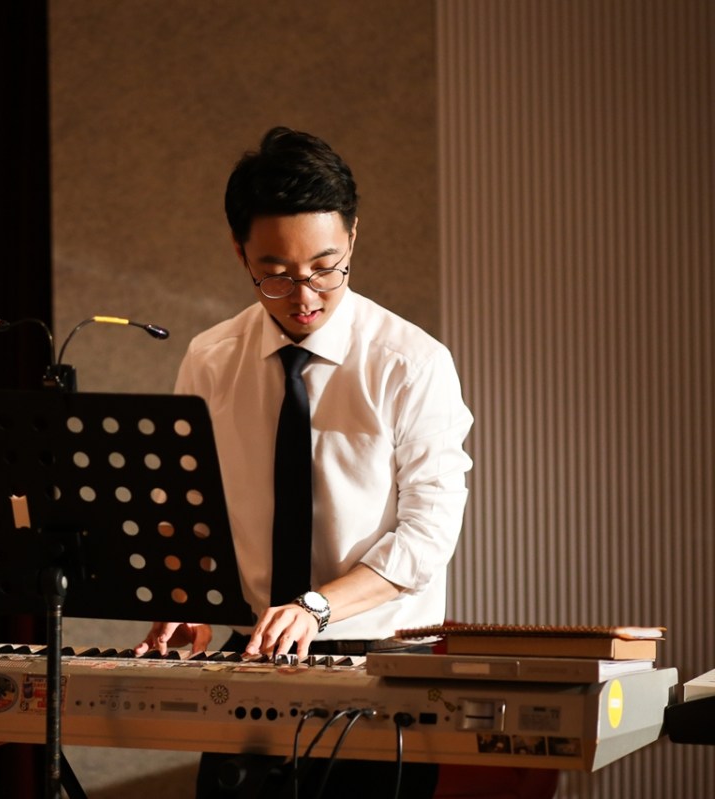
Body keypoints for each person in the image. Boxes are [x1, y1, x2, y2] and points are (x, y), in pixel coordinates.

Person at [132, 127, 474, 797]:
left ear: (353, 237)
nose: (305, 295)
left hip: (379, 666)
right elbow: (192, 509)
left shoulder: (412, 363)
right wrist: (189, 596)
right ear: (240, 253)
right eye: (277, 275)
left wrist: (315, 608)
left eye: (325, 267)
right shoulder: (210, 358)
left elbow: (427, 536)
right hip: (250, 659)